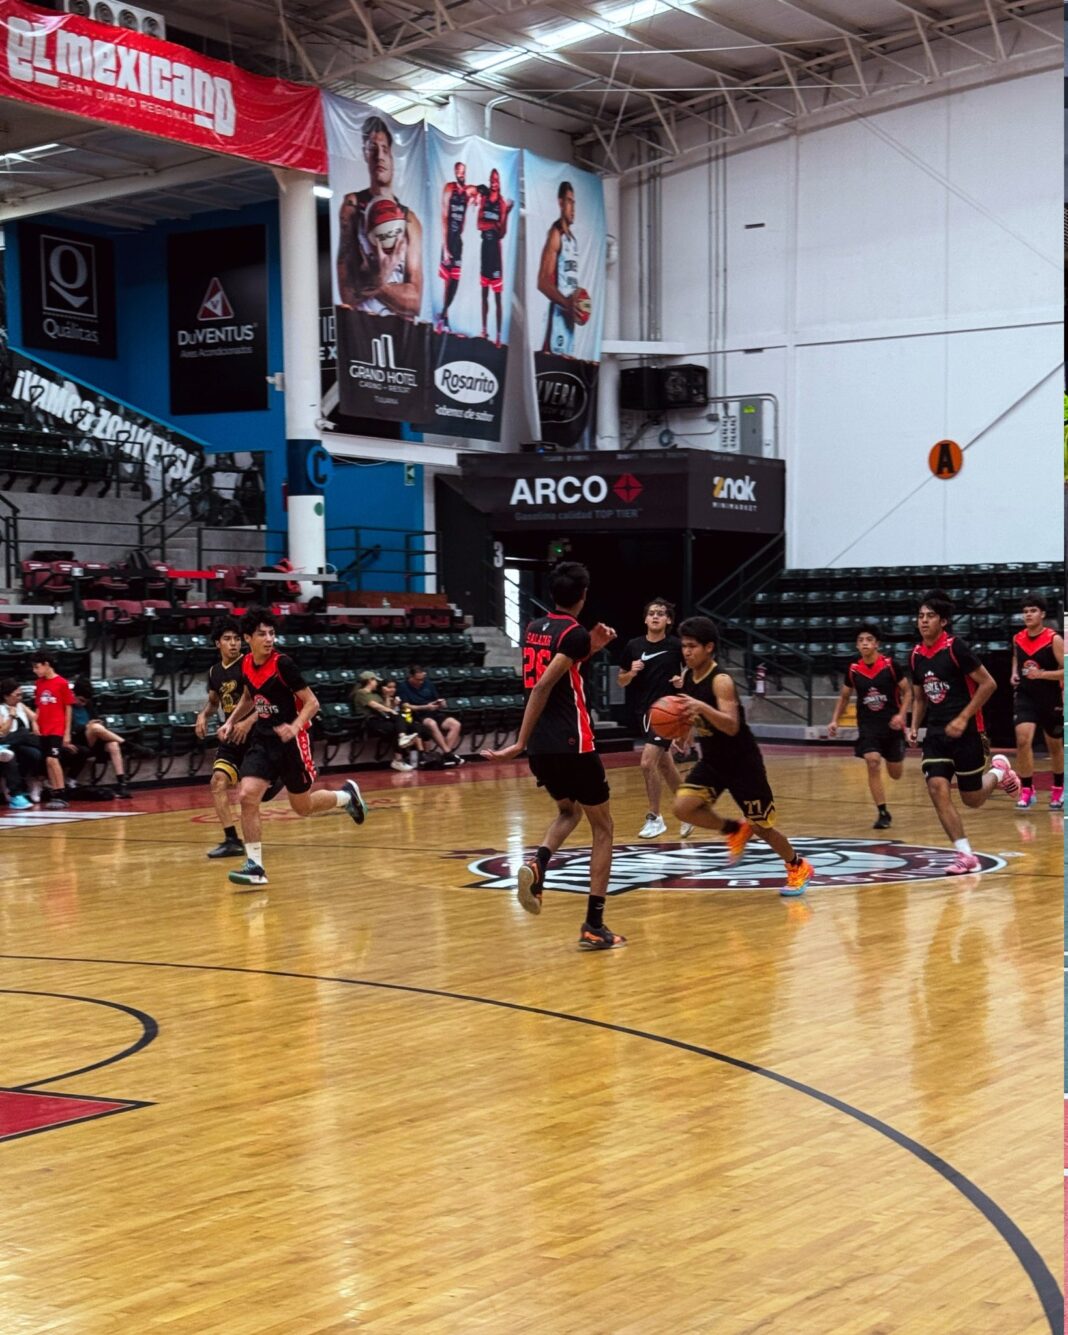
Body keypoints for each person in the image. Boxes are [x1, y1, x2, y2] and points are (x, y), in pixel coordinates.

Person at [482, 561, 625, 950]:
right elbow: (544, 686)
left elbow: (559, 672)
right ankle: (594, 924)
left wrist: (591, 647)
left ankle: (539, 863)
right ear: (583, 594)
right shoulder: (573, 633)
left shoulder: (534, 628)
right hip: (572, 742)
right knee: (604, 829)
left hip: (544, 750)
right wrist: (517, 741)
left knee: (568, 811)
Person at [216, 608, 369, 888]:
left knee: (303, 807)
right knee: (247, 796)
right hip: (263, 739)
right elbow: (250, 697)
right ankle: (255, 866)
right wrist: (230, 721)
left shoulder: (283, 664)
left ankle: (347, 797)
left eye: (272, 633)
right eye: (262, 633)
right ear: (248, 638)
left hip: (292, 742)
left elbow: (312, 703)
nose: (269, 638)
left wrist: (295, 726)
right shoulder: (246, 664)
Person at [670, 617, 814, 897]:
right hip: (713, 761)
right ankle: (734, 829)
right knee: (682, 807)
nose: (686, 651)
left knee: (763, 827)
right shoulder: (688, 677)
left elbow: (731, 725)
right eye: (684, 646)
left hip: (741, 762)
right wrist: (683, 735)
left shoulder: (720, 680)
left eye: (692, 646)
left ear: (709, 647)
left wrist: (702, 706)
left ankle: (798, 865)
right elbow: (691, 715)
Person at [907, 590, 1020, 874]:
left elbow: (989, 684)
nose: (923, 621)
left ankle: (999, 771)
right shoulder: (916, 655)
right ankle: (965, 854)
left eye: (930, 616)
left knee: (973, 799)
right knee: (936, 787)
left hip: (969, 732)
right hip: (936, 735)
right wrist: (913, 726)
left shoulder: (956, 648)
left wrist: (963, 718)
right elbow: (920, 697)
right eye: (920, 616)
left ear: (943, 621)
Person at [616, 597, 692, 839]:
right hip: (644, 712)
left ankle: (654, 817)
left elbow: (694, 670)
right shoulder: (633, 646)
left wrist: (683, 681)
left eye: (661, 613)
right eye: (652, 613)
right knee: (665, 765)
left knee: (647, 763)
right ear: (646, 619)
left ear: (668, 619)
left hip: (668, 712)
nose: (656, 616)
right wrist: (631, 672)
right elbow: (621, 680)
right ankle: (690, 810)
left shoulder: (676, 646)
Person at [336, 115, 424, 318]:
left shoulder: (409, 219)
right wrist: (381, 280)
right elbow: (347, 294)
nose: (380, 157)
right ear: (365, 154)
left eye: (385, 149)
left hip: (403, 336)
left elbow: (414, 303)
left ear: (392, 156)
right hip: (365, 333)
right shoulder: (353, 206)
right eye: (373, 149)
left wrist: (375, 281)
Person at [827, 624, 909, 828]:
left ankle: (897, 756)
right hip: (868, 727)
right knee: (872, 762)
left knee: (895, 773)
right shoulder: (854, 670)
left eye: (869, 639)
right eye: (861, 640)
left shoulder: (890, 665)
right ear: (857, 645)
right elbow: (844, 697)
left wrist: (901, 715)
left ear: (876, 643)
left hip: (892, 726)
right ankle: (883, 813)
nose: (865, 643)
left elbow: (908, 692)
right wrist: (834, 719)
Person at [195, 617, 254, 858]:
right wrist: (203, 716)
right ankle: (232, 840)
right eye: (227, 639)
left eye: (237, 639)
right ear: (217, 643)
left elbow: (264, 701)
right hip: (232, 735)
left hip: (256, 734)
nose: (233, 644)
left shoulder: (250, 664)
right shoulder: (214, 672)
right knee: (217, 782)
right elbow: (213, 702)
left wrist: (248, 722)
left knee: (254, 793)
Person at [1009, 592, 1063, 810]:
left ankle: (1059, 789)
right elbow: (1016, 657)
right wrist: (1014, 672)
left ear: (1042, 614)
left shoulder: (1054, 639)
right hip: (1026, 696)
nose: (1028, 615)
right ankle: (1027, 790)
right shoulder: (1017, 638)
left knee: (1055, 746)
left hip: (1050, 698)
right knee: (1022, 740)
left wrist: (1042, 675)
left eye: (1032, 611)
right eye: (1025, 611)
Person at [69, 677, 131, 797]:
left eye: (86, 701)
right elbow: (69, 728)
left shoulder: (88, 705)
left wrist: (98, 723)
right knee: (94, 728)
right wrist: (88, 726)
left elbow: (96, 718)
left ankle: (122, 784)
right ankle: (129, 744)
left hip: (93, 739)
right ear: (73, 694)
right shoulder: (67, 706)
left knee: (113, 744)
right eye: (81, 700)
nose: (83, 704)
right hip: (76, 739)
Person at [538, 180, 579, 356]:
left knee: (569, 375)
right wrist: (567, 304)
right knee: (553, 373)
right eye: (569, 202)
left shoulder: (573, 240)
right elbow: (543, 282)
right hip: (557, 319)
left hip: (570, 321)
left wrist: (579, 303)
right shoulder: (556, 235)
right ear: (561, 203)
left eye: (574, 203)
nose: (573, 208)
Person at [436, 161, 478, 334]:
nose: (461, 174)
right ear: (454, 173)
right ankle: (444, 317)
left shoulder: (467, 191)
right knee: (447, 280)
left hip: (459, 240)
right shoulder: (449, 189)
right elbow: (444, 217)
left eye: (463, 172)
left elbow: (478, 190)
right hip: (449, 239)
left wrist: (477, 197)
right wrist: (445, 247)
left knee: (455, 280)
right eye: (458, 172)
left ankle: (445, 313)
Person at [351, 669, 421, 771]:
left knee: (409, 725)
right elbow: (376, 706)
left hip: (382, 719)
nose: (377, 683)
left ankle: (401, 747)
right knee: (397, 723)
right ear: (370, 680)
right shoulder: (361, 693)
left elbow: (387, 708)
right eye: (375, 680)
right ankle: (399, 754)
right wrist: (391, 711)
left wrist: (388, 697)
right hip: (370, 721)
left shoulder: (375, 694)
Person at [31, 652, 74, 809]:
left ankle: (62, 793)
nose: (35, 670)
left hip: (57, 727)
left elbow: (68, 708)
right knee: (48, 762)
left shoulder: (61, 683)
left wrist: (67, 732)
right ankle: (55, 793)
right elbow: (39, 705)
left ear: (47, 664)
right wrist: (35, 722)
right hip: (44, 728)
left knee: (52, 759)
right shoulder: (39, 683)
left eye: (37, 667)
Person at [397, 665, 463, 765]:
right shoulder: (403, 686)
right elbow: (406, 706)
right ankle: (448, 753)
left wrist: (441, 703)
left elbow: (436, 698)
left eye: (422, 679)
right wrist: (425, 707)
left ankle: (446, 755)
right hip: (418, 713)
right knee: (431, 723)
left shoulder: (428, 683)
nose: (421, 682)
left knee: (455, 724)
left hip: (433, 711)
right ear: (411, 677)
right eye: (418, 679)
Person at [476, 168, 513, 346]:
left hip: (495, 252)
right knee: (484, 294)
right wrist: (495, 225)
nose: (494, 182)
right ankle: (484, 330)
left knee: (497, 297)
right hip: (485, 248)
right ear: (490, 180)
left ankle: (498, 335)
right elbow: (479, 224)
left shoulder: (502, 204)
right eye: (492, 179)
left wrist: (504, 217)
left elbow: (502, 233)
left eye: (496, 179)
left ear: (499, 182)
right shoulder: (484, 198)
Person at [0, 678, 42, 806]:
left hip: (21, 743)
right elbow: (2, 732)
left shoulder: (20, 705)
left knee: (36, 754)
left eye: (21, 694)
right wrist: (11, 716)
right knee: (23, 732)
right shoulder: (1, 709)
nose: (20, 697)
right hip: (7, 741)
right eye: (17, 695)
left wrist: (34, 724)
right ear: (6, 696)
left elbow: (35, 717)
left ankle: (33, 781)